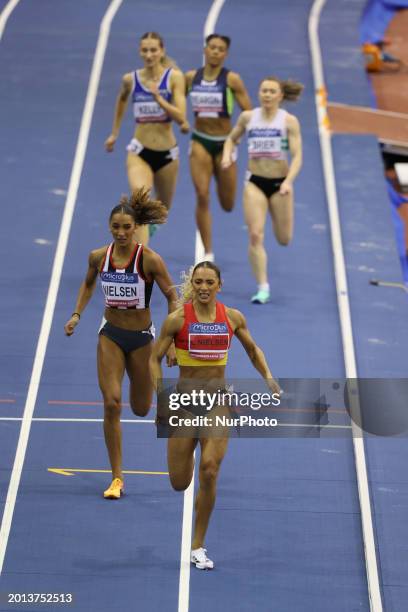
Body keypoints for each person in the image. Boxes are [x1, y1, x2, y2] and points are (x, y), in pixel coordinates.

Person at [149, 261, 280, 569]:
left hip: (217, 403)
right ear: (192, 285)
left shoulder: (232, 318)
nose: (204, 287)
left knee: (209, 470)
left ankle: (198, 545)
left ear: (219, 285)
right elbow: (153, 360)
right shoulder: (176, 320)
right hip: (184, 404)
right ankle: (191, 446)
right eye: (199, 282)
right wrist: (161, 399)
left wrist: (268, 377)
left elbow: (252, 349)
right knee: (180, 483)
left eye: (210, 282)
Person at [64, 188, 178, 499]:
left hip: (141, 338)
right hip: (111, 334)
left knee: (140, 408)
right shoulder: (99, 257)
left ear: (136, 228)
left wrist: (170, 341)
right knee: (112, 403)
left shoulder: (149, 260)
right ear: (109, 227)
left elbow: (172, 296)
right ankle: (116, 477)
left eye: (127, 227)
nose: (122, 232)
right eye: (116, 226)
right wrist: (76, 314)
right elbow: (88, 284)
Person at [222, 76, 303, 304]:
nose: (267, 94)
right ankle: (262, 287)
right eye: (263, 90)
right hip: (254, 182)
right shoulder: (248, 117)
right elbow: (231, 139)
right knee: (255, 235)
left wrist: (288, 181)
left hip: (280, 185)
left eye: (271, 91)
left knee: (283, 238)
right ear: (259, 94)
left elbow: (297, 156)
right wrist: (228, 155)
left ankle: (264, 282)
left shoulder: (288, 121)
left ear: (280, 96)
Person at [105, 32, 187, 245]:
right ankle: (139, 261)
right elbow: (122, 99)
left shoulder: (175, 78)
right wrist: (114, 132)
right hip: (139, 151)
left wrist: (159, 99)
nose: (149, 55)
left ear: (162, 51)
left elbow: (181, 117)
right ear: (140, 52)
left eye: (153, 50)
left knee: (161, 211)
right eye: (145, 50)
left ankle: (148, 229)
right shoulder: (130, 79)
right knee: (140, 203)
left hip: (168, 154)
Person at [185, 34, 252, 261]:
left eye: (220, 49)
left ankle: (225, 193)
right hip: (200, 140)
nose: (215, 52)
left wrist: (238, 136)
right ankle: (208, 252)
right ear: (205, 50)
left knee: (227, 203)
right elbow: (174, 98)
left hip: (225, 144)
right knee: (202, 195)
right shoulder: (191, 77)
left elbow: (249, 112)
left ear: (226, 54)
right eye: (212, 47)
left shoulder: (232, 80)